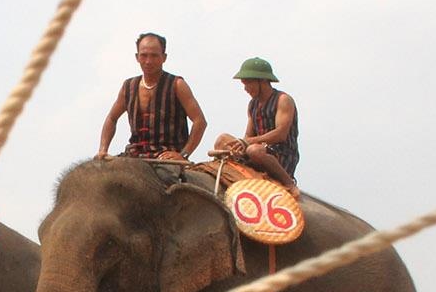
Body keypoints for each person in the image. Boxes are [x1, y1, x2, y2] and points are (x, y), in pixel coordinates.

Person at [97, 32, 206, 160]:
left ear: (164, 57)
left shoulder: (177, 85)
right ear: (137, 57)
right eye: (144, 55)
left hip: (165, 159)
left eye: (154, 56)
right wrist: (103, 150)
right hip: (134, 156)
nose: (148, 61)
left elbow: (200, 121)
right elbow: (111, 118)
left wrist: (183, 154)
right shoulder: (128, 87)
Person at [210, 57, 300, 192]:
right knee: (222, 139)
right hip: (255, 149)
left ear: (262, 81)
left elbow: (281, 134)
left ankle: (288, 183)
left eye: (248, 83)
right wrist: (239, 145)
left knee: (254, 150)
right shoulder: (253, 104)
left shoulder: (283, 100)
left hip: (280, 154)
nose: (245, 89)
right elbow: (248, 135)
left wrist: (249, 142)